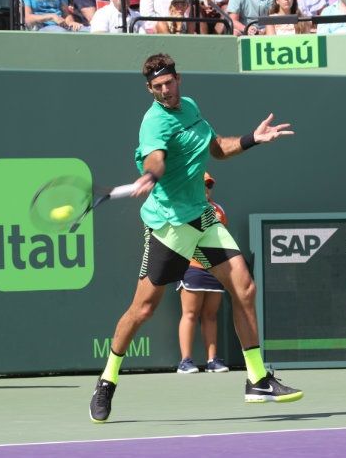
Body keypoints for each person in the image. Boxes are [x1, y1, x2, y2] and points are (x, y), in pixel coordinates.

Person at [88, 53, 303, 424]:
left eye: (169, 83)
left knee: (244, 288)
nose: (165, 90)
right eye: (157, 87)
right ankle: (107, 380)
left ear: (178, 79)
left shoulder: (190, 106)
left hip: (201, 217)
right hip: (170, 227)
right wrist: (152, 175)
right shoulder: (153, 122)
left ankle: (257, 379)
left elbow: (216, 148)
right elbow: (155, 158)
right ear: (149, 89)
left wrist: (253, 138)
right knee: (142, 310)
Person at [176, 172, 229, 375]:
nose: (206, 189)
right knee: (190, 314)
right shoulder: (183, 210)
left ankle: (212, 360)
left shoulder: (218, 210)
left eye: (208, 185)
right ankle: (185, 361)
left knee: (210, 315)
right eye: (201, 185)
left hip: (215, 270)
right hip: (191, 267)